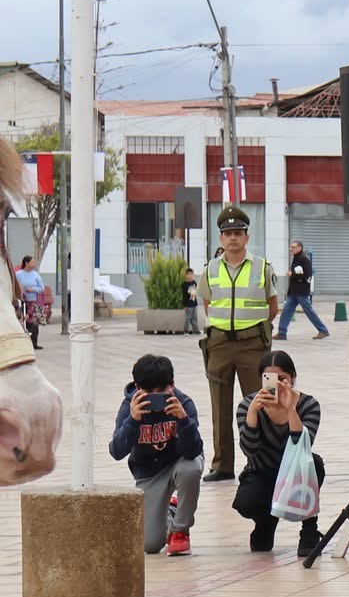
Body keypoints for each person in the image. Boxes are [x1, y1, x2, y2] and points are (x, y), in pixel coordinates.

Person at [196, 204, 278, 484]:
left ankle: (261, 461)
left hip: (253, 344)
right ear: (220, 238)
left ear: (247, 237)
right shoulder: (210, 269)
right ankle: (222, 465)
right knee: (219, 406)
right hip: (219, 343)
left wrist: (252, 326)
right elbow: (208, 303)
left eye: (238, 232)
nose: (233, 237)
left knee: (261, 402)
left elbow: (272, 306)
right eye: (227, 233)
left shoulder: (262, 267)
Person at [234, 350, 326, 557]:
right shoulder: (248, 405)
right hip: (261, 470)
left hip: (295, 472)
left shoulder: (308, 404)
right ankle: (265, 522)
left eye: (282, 378)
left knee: (315, 464)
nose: (277, 384)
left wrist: (291, 409)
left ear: (293, 377)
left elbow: (302, 444)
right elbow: (249, 450)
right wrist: (252, 414)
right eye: (270, 379)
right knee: (247, 503)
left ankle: (309, 529)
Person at [109, 353, 202, 556]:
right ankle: (170, 509)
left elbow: (194, 451)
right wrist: (132, 420)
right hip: (148, 473)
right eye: (148, 392)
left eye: (162, 391)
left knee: (192, 467)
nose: (155, 397)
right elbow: (116, 451)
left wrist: (183, 420)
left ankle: (180, 531)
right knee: (150, 545)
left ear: (172, 385)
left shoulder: (183, 403)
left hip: (179, 463)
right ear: (137, 386)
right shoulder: (129, 406)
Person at [277, 240, 330, 342]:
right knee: (286, 311)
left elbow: (307, 275)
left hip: (301, 291)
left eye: (293, 247)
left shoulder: (303, 259)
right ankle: (282, 332)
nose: (291, 249)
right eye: (291, 247)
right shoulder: (296, 259)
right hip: (293, 292)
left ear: (299, 248)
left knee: (309, 311)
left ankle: (323, 330)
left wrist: (292, 274)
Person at [13, 255, 46, 349]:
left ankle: (34, 343)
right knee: (22, 322)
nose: (34, 264)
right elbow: (15, 286)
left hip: (33, 302)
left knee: (34, 323)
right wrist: (21, 291)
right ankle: (22, 343)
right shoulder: (18, 274)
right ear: (26, 263)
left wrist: (33, 289)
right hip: (22, 302)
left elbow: (41, 288)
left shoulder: (35, 275)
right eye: (32, 262)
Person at [181, 264, 199, 334]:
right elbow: (184, 296)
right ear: (186, 275)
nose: (190, 276)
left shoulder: (194, 283)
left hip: (194, 303)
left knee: (195, 317)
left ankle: (196, 330)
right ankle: (186, 330)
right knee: (188, 318)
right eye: (188, 274)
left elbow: (196, 291)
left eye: (191, 274)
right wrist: (184, 305)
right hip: (188, 305)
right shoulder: (184, 285)